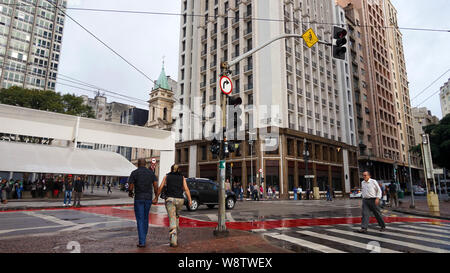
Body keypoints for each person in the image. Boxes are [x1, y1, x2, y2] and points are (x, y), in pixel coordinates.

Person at [153, 164, 192, 248]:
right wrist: (190, 200)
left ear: (171, 169)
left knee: (172, 218)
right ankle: (176, 232)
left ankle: (173, 240)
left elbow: (160, 188)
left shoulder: (167, 176)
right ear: (178, 170)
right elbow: (186, 189)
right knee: (177, 216)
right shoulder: (182, 177)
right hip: (180, 200)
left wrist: (156, 197)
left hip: (170, 199)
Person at [128, 158, 158, 248]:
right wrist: (156, 197)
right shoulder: (151, 173)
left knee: (140, 219)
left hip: (139, 198)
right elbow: (156, 186)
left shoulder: (134, 173)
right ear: (145, 164)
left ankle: (142, 241)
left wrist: (130, 193)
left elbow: (130, 187)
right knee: (145, 218)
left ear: (137, 164)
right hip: (148, 198)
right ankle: (143, 238)